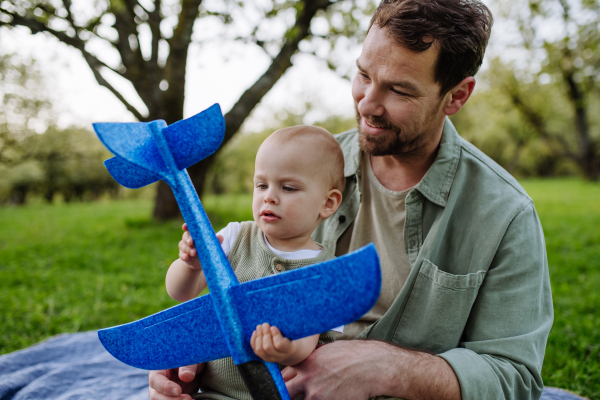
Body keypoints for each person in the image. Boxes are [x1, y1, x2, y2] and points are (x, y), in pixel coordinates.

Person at [149, 0, 553, 399]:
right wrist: (193, 354)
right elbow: (244, 281)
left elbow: (513, 376)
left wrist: (388, 369)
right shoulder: (308, 167)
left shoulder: (504, 214)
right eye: (363, 74)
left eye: (398, 90)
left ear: (456, 96)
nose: (366, 104)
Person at [163, 125, 346, 400]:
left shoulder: (327, 274)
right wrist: (192, 266)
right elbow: (178, 292)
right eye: (261, 185)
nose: (269, 196)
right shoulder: (235, 236)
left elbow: (305, 344)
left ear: (327, 203)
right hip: (214, 392)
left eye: (288, 187)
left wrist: (284, 349)